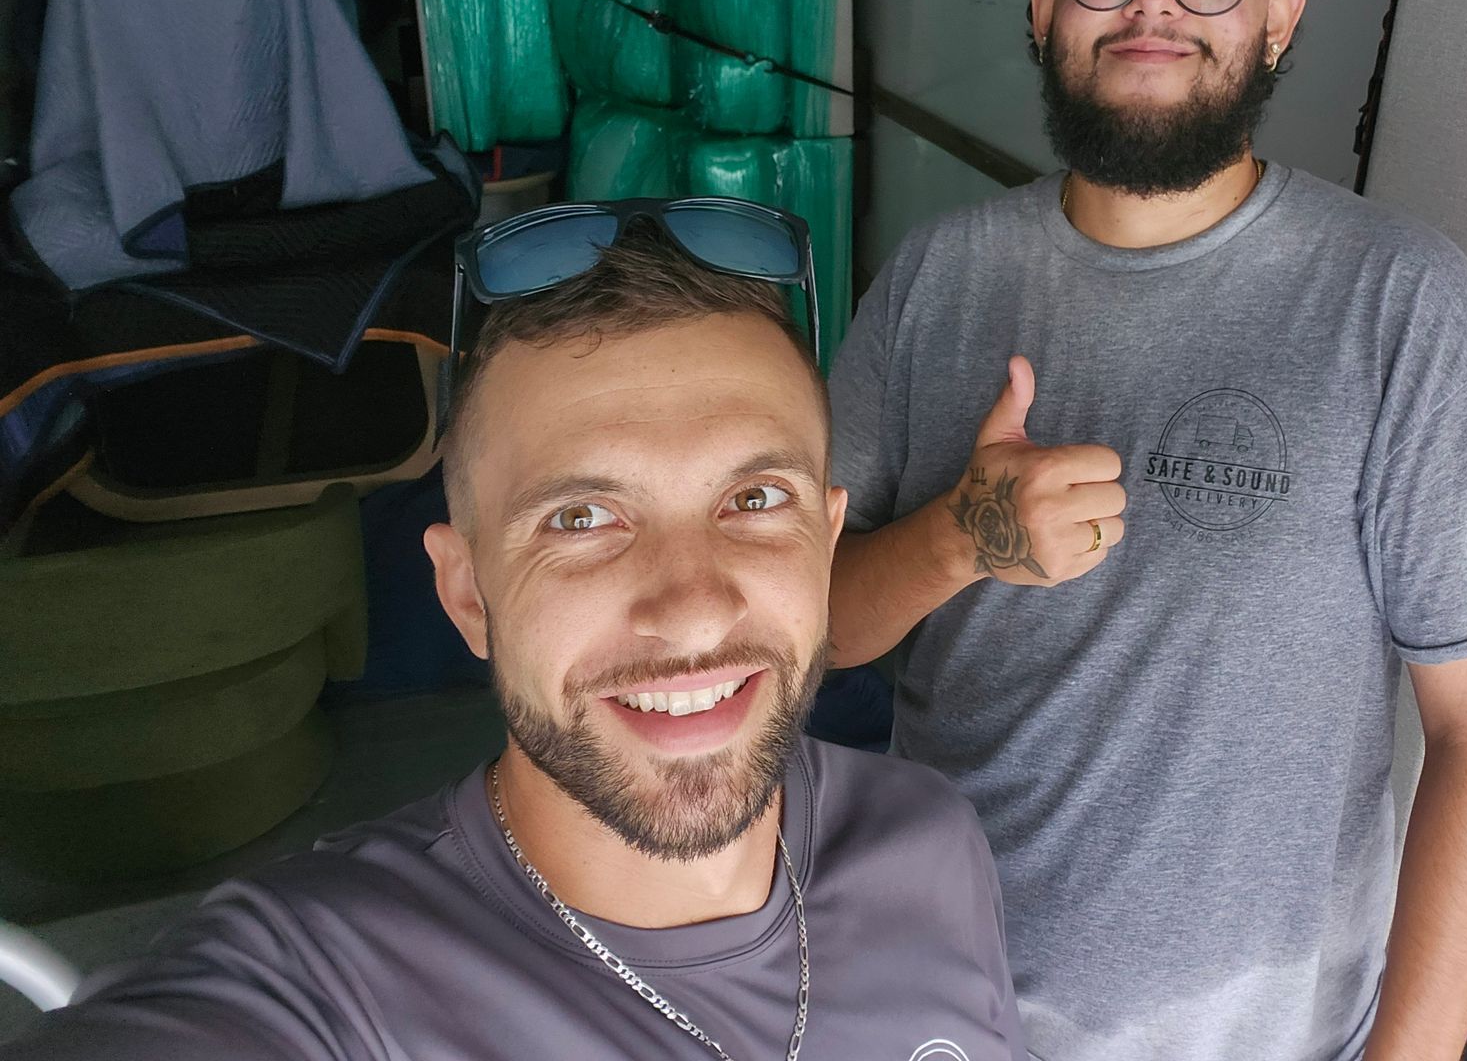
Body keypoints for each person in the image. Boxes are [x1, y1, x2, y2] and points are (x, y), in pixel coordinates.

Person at [827, 0, 1467, 1061]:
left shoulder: (1398, 304)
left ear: (1279, 17)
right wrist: (957, 540)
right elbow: (808, 626)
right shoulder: (939, 280)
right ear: (1046, 7)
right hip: (933, 1016)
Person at [5, 219, 1025, 1061]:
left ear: (827, 539)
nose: (695, 607)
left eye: (754, 499)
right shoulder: (330, 990)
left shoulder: (928, 843)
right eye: (580, 519)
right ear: (468, 594)